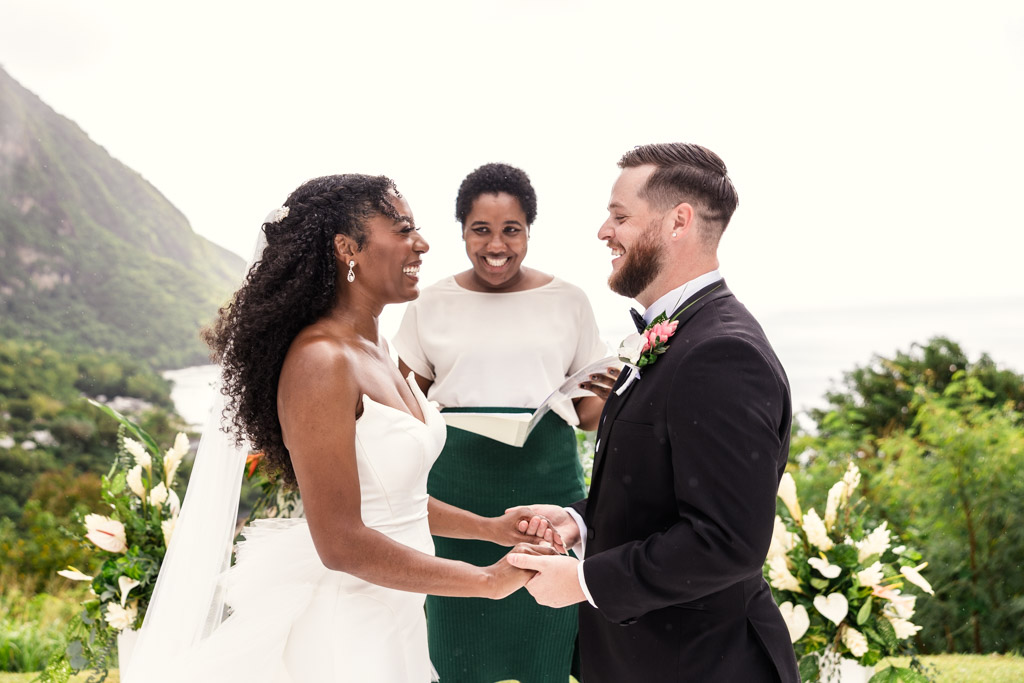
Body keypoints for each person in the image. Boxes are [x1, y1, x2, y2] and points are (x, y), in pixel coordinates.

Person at [123, 174, 557, 683]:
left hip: (397, 613)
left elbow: (392, 501)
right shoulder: (321, 361)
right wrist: (486, 581)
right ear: (347, 248)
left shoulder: (380, 350)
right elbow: (341, 542)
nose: (422, 243)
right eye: (403, 229)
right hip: (349, 626)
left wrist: (487, 529)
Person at [507, 144, 801, 682]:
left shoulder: (722, 353)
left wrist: (582, 583)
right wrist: (577, 521)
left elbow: (725, 541)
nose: (603, 231)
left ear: (678, 223)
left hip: (702, 664)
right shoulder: (679, 338)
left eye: (620, 216)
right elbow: (658, 492)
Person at [393, 162, 615, 683]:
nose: (497, 245)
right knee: (454, 638)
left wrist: (609, 392)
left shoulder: (570, 301)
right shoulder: (429, 303)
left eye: (511, 230)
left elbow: (586, 418)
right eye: (481, 230)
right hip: (455, 489)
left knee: (549, 631)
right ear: (462, 230)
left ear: (529, 231)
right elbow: (404, 407)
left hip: (546, 483)